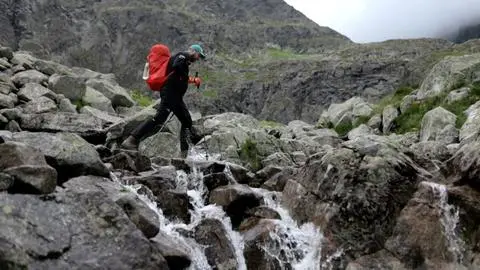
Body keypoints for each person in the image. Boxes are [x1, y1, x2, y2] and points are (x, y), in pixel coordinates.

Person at [120, 44, 206, 158]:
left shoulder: (184, 60)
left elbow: (177, 74)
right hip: (170, 93)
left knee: (186, 121)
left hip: (176, 96)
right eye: (198, 56)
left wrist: (193, 80)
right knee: (160, 117)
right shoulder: (183, 55)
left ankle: (184, 154)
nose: (198, 58)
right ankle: (131, 140)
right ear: (194, 52)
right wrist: (187, 76)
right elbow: (177, 67)